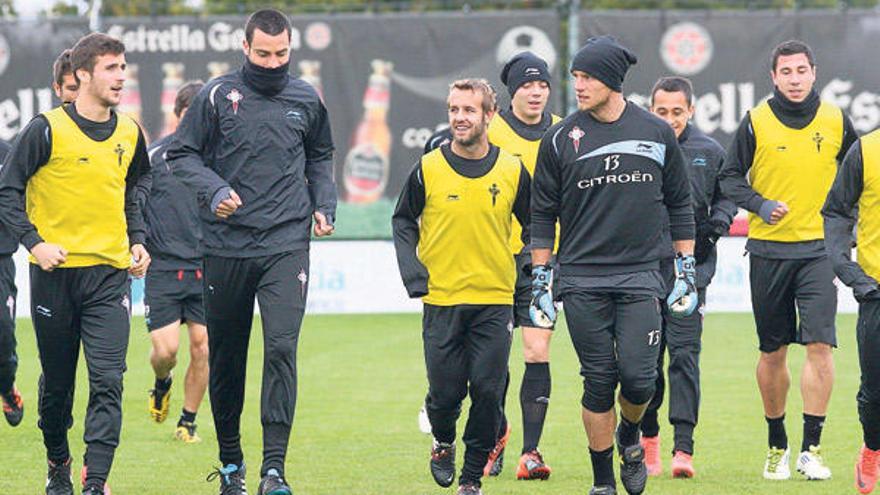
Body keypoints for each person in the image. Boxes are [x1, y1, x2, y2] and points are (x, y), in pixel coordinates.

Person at [166, 9, 336, 495]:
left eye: (281, 54)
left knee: (281, 348)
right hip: (226, 245)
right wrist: (214, 190)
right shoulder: (216, 96)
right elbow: (182, 155)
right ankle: (230, 466)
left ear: (290, 47)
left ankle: (274, 471)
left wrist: (324, 203)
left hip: (286, 242)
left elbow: (321, 155)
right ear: (245, 47)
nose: (271, 62)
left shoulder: (306, 97)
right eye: (262, 54)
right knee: (227, 358)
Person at [530, 36, 695, 495]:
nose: (579, 86)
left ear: (612, 81)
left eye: (587, 77)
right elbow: (542, 214)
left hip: (643, 273)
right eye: (576, 77)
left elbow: (681, 204)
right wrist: (541, 278)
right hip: (581, 277)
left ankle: (630, 434)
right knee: (599, 381)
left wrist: (685, 268)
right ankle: (603, 481)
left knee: (641, 380)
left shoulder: (657, 131)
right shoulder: (561, 138)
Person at [0, 32, 151, 495]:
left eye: (123, 67)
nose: (121, 76)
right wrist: (35, 242)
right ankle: (58, 464)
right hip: (54, 277)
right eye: (111, 68)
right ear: (82, 75)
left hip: (110, 277)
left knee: (108, 380)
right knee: (58, 389)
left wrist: (140, 239)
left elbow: (136, 187)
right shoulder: (44, 129)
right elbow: (7, 192)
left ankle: (96, 482)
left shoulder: (129, 131)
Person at [719, 39, 857, 481]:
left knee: (820, 346)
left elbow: (861, 175)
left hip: (819, 251)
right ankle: (777, 444)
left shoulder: (836, 120)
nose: (795, 79)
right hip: (768, 252)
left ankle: (810, 449)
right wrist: (759, 205)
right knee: (772, 351)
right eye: (786, 72)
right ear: (774, 78)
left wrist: (845, 226)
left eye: (802, 70)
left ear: (814, 73)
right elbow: (728, 177)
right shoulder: (755, 122)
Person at [393, 78, 530, 495]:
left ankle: (471, 479)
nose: (459, 117)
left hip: (494, 300)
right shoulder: (429, 167)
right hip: (442, 300)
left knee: (488, 392)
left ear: (490, 116)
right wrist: (415, 274)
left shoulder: (511, 168)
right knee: (445, 394)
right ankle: (443, 441)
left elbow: (536, 227)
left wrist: (527, 279)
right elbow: (402, 221)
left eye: (469, 110)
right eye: (454, 109)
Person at [639, 76, 737, 478]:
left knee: (684, 356)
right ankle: (647, 442)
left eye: (677, 112)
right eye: (662, 112)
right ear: (651, 110)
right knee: (643, 362)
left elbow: (728, 192)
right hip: (641, 272)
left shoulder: (709, 151)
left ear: (691, 110)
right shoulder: (638, 149)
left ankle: (683, 449)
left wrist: (719, 221)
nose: (670, 119)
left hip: (689, 273)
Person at [484, 51, 561, 480]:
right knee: (491, 361)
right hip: (494, 260)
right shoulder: (490, 130)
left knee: (537, 350)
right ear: (513, 91)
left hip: (542, 262)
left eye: (543, 84)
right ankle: (495, 433)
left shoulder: (564, 131)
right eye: (528, 85)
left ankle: (531, 452)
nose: (536, 92)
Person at [144, 80, 209, 444]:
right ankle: (162, 382)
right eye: (189, 116)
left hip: (206, 268)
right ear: (177, 115)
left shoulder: (218, 159)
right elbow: (134, 204)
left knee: (203, 347)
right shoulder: (154, 157)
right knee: (166, 352)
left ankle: (187, 422)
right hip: (164, 269)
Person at [822, 129, 880, 494]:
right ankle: (873, 447)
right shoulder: (867, 150)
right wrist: (849, 271)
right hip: (877, 291)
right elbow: (837, 211)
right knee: (875, 392)